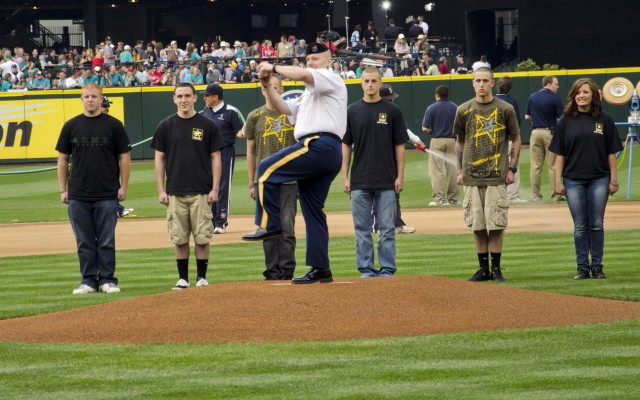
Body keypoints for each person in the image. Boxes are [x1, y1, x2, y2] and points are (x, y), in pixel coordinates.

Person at [242, 42, 347, 285]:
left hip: (319, 145)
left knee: (265, 170)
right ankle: (321, 268)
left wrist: (273, 66)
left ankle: (270, 225)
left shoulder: (329, 77)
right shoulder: (309, 93)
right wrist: (267, 86)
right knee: (313, 213)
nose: (310, 63)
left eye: (315, 59)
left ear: (328, 61)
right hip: (326, 151)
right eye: (308, 59)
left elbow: (302, 73)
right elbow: (284, 108)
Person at [55, 82, 131, 294]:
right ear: (81, 99)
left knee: (106, 240)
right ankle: (88, 280)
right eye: (86, 97)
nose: (90, 100)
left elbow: (124, 158)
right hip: (78, 193)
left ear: (101, 99)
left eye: (94, 97)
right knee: (84, 241)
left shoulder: (114, 125)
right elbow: (62, 159)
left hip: (107, 192)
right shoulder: (71, 125)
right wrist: (63, 189)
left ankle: (107, 279)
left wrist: (123, 187)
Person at [151, 83, 223, 290]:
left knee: (202, 237)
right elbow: (159, 159)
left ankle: (202, 278)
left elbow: (216, 157)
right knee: (179, 238)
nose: (183, 100)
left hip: (201, 190)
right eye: (179, 96)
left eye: (187, 96)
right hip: (175, 191)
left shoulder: (207, 125)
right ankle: (183, 278)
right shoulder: (165, 126)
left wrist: (215, 188)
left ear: (195, 98)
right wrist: (160, 189)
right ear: (174, 99)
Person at [549, 78, 623, 280]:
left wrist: (613, 179)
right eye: (578, 92)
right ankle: (582, 267)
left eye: (586, 92)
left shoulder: (604, 119)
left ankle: (597, 266)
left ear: (593, 95)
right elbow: (560, 154)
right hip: (573, 180)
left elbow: (611, 152)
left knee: (597, 224)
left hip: (599, 178)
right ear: (573, 96)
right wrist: (558, 181)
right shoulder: (565, 120)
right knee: (580, 225)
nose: (581, 95)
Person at [453, 67, 520, 282]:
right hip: (472, 177)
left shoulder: (505, 108)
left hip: (496, 175)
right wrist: (459, 170)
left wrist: (511, 168)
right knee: (477, 225)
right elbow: (460, 142)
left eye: (485, 80)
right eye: (477, 80)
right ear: (472, 83)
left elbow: (516, 139)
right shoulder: (463, 110)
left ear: (492, 83)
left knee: (496, 225)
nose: (481, 84)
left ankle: (497, 269)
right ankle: (483, 269)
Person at [342, 68, 408, 278]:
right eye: (366, 81)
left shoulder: (392, 111)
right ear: (361, 83)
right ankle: (366, 269)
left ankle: (387, 269)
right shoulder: (352, 111)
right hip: (360, 180)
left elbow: (400, 145)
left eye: (374, 81)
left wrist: (400, 175)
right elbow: (346, 145)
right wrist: (345, 176)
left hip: (387, 179)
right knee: (362, 229)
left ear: (380, 84)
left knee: (387, 228)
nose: (370, 85)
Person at [245, 75, 298, 280]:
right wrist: (252, 181)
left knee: (287, 227)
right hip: (264, 181)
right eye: (267, 87)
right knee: (267, 228)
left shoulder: (292, 114)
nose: (271, 90)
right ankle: (272, 271)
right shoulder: (255, 116)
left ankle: (286, 271)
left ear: (281, 89)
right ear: (262, 90)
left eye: (275, 87)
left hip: (289, 180)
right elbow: (250, 151)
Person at [200, 84, 244, 234]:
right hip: (208, 153)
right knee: (208, 186)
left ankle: (221, 221)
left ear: (215, 97)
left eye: (207, 95)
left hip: (225, 152)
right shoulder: (206, 111)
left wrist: (247, 132)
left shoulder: (231, 111)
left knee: (223, 186)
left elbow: (239, 132)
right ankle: (211, 221)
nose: (204, 97)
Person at [525, 75, 565, 201]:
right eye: (556, 84)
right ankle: (556, 194)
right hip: (550, 132)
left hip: (535, 132)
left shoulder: (532, 96)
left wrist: (537, 120)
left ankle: (535, 195)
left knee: (535, 166)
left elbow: (527, 116)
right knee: (553, 165)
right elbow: (561, 119)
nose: (558, 86)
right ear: (548, 84)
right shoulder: (555, 98)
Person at [422, 85, 459, 206]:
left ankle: (439, 199)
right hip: (452, 140)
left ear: (437, 95)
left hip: (437, 140)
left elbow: (425, 128)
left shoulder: (431, 108)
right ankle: (453, 198)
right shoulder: (455, 107)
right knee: (452, 170)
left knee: (436, 171)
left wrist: (433, 132)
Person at [100, 95, 135, 218]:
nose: (107, 108)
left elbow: (124, 154)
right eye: (105, 105)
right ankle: (118, 209)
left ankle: (117, 209)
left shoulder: (114, 124)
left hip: (110, 169)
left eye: (108, 105)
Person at [495, 76, 526, 203]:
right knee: (512, 164)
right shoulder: (511, 102)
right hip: (508, 139)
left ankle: (497, 194)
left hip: (492, 140)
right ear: (510, 87)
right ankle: (512, 195)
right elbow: (517, 123)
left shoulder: (492, 100)